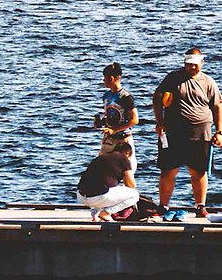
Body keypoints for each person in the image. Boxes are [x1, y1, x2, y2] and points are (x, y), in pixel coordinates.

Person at [154, 48, 221, 216]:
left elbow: (217, 106)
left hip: (200, 131)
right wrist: (159, 122)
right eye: (189, 65)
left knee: (198, 171)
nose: (192, 68)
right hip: (174, 132)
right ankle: (163, 206)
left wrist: (219, 131)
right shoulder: (173, 78)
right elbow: (157, 98)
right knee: (168, 170)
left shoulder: (208, 82)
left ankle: (200, 206)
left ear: (202, 63)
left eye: (195, 65)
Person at [77, 131, 139, 220]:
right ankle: (106, 213)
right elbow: (132, 185)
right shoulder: (123, 158)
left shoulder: (101, 157)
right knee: (134, 195)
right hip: (97, 197)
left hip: (81, 196)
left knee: (104, 188)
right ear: (128, 154)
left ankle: (95, 214)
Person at [96, 63, 139, 162]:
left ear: (111, 78)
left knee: (126, 170)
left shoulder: (125, 97)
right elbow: (108, 116)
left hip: (123, 140)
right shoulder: (106, 96)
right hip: (109, 140)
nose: (103, 81)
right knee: (100, 168)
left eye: (104, 78)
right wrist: (101, 123)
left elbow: (134, 120)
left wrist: (114, 130)